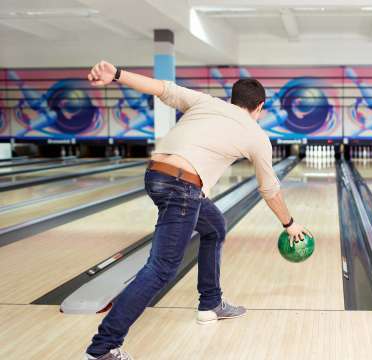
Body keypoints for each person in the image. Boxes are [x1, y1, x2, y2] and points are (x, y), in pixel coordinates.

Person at [83, 61, 308, 360]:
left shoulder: (206, 102)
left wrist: (118, 75)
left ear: (232, 98)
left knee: (214, 227)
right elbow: (270, 190)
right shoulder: (256, 136)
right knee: (161, 269)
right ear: (260, 106)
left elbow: (161, 88)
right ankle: (102, 348)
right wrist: (289, 224)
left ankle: (211, 302)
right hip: (182, 188)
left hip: (156, 175)